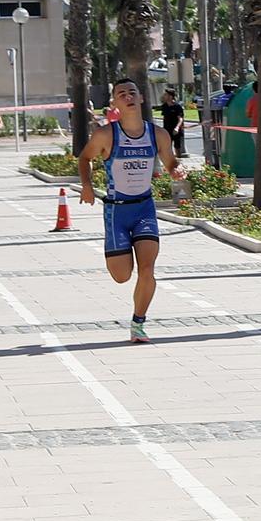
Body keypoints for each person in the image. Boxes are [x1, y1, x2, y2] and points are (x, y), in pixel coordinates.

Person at [77, 78, 180, 343]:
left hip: (144, 208)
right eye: (122, 94)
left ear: (141, 98)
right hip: (116, 211)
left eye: (132, 92)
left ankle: (138, 323)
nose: (128, 97)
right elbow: (85, 158)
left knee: (147, 269)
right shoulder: (105, 134)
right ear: (115, 103)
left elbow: (170, 161)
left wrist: (175, 170)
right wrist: (87, 185)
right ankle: (120, 251)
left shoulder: (157, 134)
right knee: (122, 275)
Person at [159, 87, 186, 160]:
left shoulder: (177, 106)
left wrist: (177, 128)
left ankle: (179, 160)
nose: (164, 96)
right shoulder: (164, 106)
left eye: (166, 94)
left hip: (176, 130)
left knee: (177, 146)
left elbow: (180, 119)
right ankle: (170, 161)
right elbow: (164, 118)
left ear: (170, 96)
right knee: (167, 146)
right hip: (167, 129)